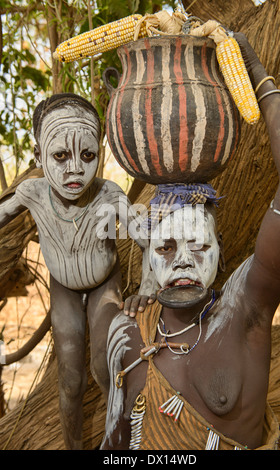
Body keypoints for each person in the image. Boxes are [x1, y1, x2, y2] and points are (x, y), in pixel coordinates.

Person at [98, 33, 280, 450]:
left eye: (199, 246)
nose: (184, 261)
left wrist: (256, 74)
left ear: (222, 249)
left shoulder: (246, 313)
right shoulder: (128, 334)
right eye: (166, 248)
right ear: (148, 258)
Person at [0, 93, 155, 449]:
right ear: (39, 157)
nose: (74, 169)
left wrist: (147, 285)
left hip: (105, 283)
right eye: (59, 156)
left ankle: (120, 445)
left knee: (106, 369)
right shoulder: (32, 192)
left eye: (87, 155)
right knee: (70, 380)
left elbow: (147, 241)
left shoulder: (110, 195)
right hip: (64, 289)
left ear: (100, 154)